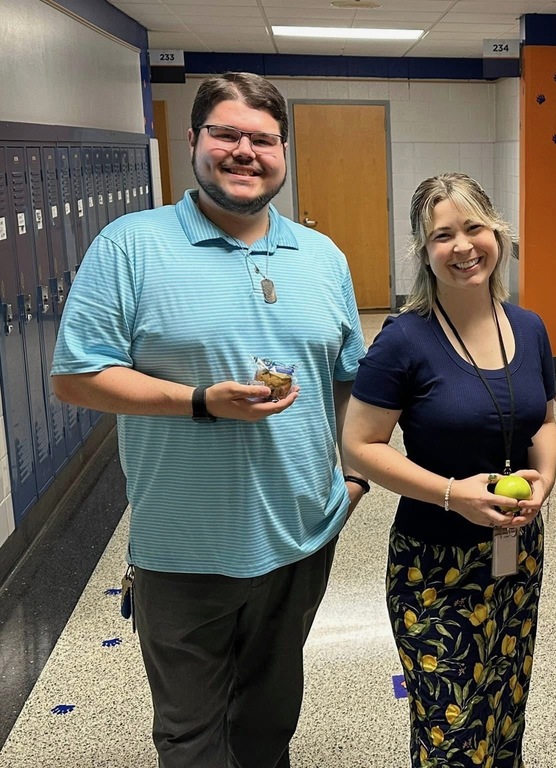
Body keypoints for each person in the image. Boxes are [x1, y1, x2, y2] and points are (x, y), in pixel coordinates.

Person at [50, 72, 367, 768]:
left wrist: (349, 480)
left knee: (268, 724)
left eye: (264, 138)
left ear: (284, 150)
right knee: (191, 739)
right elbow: (75, 377)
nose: (245, 151)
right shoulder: (130, 246)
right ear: (191, 141)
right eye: (226, 134)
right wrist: (197, 402)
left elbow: (349, 380)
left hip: (301, 540)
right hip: (183, 548)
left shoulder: (322, 258)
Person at [343, 173, 556, 768]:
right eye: (443, 235)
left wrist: (545, 477)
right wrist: (450, 494)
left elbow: (542, 422)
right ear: (424, 250)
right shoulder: (403, 341)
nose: (463, 246)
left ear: (498, 234)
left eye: (474, 227)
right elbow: (360, 444)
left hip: (516, 553)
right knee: (451, 734)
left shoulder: (529, 326)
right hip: (433, 566)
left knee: (505, 709)